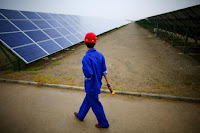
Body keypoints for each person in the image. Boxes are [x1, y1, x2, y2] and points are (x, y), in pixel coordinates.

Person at [74, 32, 112, 128]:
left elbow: (88, 74)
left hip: (91, 86)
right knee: (88, 100)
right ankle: (80, 115)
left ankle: (104, 123)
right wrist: (108, 82)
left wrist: (83, 70)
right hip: (97, 84)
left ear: (85, 42)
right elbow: (104, 71)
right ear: (95, 42)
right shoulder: (100, 55)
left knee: (95, 104)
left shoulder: (86, 58)